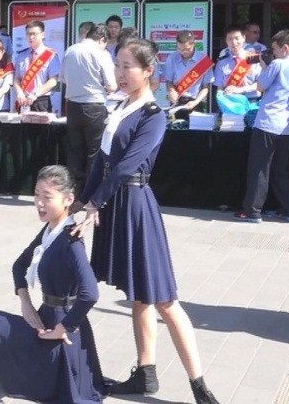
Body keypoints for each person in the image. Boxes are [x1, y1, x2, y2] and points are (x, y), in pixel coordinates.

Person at [73, 37, 219, 404]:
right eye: (117, 65)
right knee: (140, 295)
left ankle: (199, 385)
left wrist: (95, 204)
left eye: (128, 66)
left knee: (164, 299)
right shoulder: (119, 106)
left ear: (148, 71)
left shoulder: (154, 115)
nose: (120, 73)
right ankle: (146, 373)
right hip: (115, 203)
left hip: (136, 206)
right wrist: (83, 201)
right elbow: (101, 161)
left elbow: (126, 166)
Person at [0, 164, 105, 402]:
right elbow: (18, 265)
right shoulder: (50, 230)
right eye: (36, 195)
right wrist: (26, 303)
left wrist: (64, 328)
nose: (40, 203)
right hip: (44, 318)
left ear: (68, 200)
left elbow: (90, 293)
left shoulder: (71, 239)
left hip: (59, 331)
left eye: (47, 197)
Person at [234, 30, 289, 223]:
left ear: (285, 48)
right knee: (281, 170)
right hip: (287, 126)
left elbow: (260, 86)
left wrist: (264, 66)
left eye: (274, 49)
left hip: (267, 122)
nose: (272, 53)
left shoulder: (277, 64)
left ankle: (252, 210)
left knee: (259, 168)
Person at [61, 24, 117, 193]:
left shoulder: (70, 50)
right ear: (102, 39)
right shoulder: (101, 53)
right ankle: (90, 192)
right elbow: (112, 85)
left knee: (75, 151)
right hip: (94, 106)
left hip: (72, 107)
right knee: (95, 151)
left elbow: (63, 79)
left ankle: (74, 192)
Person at [161, 30, 212, 118]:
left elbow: (206, 87)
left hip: (196, 102)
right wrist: (171, 91)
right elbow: (169, 82)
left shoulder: (203, 60)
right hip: (177, 102)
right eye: (180, 49)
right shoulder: (172, 58)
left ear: (194, 44)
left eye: (187, 49)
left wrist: (195, 102)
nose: (184, 52)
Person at [13, 21, 61, 113]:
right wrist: (19, 92)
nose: (31, 37)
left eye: (34, 34)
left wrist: (35, 94)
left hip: (41, 100)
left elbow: (53, 81)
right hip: (23, 100)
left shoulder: (51, 55)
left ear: (43, 34)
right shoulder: (21, 56)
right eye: (28, 34)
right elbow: (16, 78)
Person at [212, 24, 261, 101]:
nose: (234, 42)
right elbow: (219, 88)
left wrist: (240, 90)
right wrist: (221, 101)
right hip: (230, 102)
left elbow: (261, 84)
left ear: (244, 38)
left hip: (252, 102)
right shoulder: (222, 62)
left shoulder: (255, 59)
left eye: (237, 38)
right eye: (230, 39)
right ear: (226, 41)